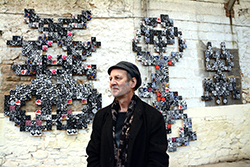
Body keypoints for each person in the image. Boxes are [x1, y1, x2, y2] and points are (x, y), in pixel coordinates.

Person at [86, 61, 169, 167]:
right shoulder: (101, 116)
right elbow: (93, 153)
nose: (112, 83)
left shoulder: (152, 117)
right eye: (111, 79)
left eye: (118, 78)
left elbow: (158, 159)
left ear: (133, 83)